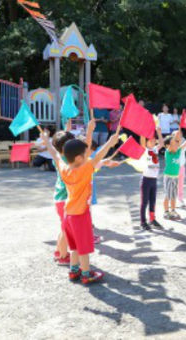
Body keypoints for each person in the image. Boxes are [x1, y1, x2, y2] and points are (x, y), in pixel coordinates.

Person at [42, 120, 119, 284]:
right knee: (83, 246)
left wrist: (47, 141)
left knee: (74, 246)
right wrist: (110, 143)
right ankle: (86, 273)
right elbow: (99, 156)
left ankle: (73, 270)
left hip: (68, 214)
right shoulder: (84, 170)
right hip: (79, 215)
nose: (88, 156)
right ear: (78, 158)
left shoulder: (64, 167)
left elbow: (55, 155)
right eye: (85, 154)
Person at [50, 128, 76, 265]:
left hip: (59, 198)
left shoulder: (58, 157)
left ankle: (59, 251)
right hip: (65, 198)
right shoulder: (68, 160)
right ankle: (63, 257)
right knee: (66, 230)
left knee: (64, 228)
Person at [162, 130, 186, 220]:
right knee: (167, 195)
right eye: (173, 144)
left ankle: (173, 210)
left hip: (175, 177)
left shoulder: (178, 151)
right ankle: (166, 212)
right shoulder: (168, 152)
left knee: (173, 195)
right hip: (168, 177)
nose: (176, 145)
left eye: (176, 144)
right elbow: (171, 143)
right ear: (168, 146)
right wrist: (176, 136)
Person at [138, 129, 164, 230]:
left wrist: (159, 132)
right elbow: (142, 141)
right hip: (146, 180)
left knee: (152, 201)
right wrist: (144, 129)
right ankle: (143, 221)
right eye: (151, 140)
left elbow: (161, 143)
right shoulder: (145, 150)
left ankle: (152, 219)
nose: (153, 141)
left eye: (154, 140)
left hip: (154, 180)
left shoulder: (155, 150)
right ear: (147, 142)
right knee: (144, 202)